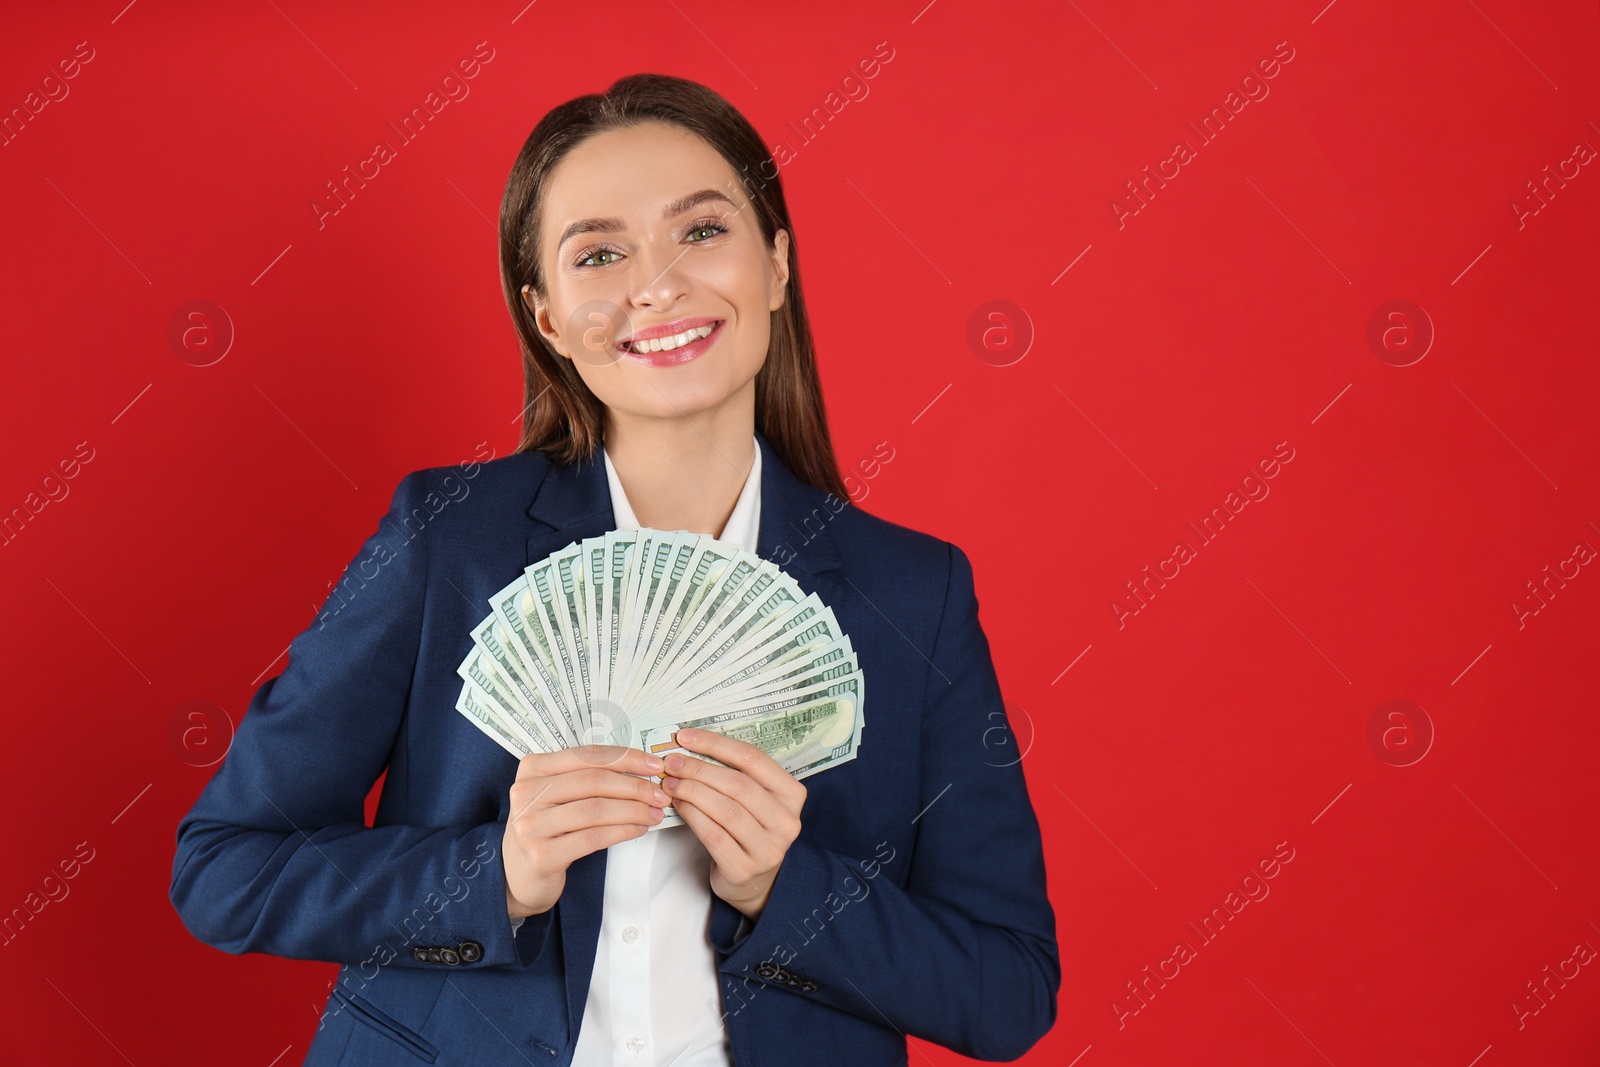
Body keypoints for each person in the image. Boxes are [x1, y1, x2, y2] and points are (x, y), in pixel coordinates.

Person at [170, 72, 1059, 1066]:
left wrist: (786, 885)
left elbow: (1006, 988)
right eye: (598, 253)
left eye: (702, 231)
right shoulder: (448, 537)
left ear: (775, 263)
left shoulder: (913, 591)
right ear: (546, 316)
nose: (656, 284)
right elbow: (227, 867)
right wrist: (496, 871)